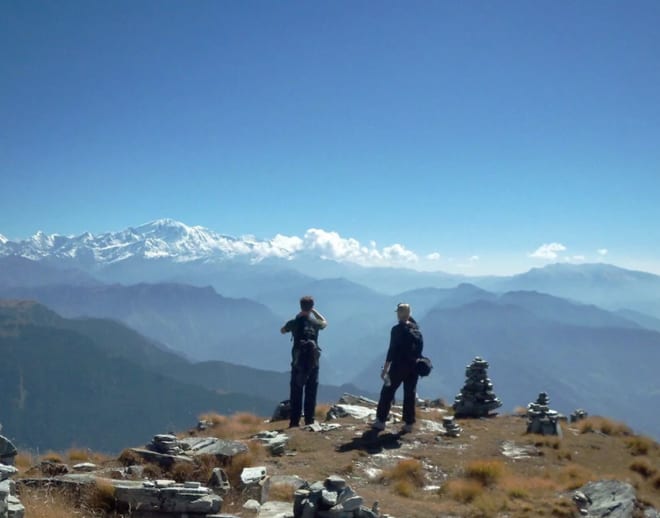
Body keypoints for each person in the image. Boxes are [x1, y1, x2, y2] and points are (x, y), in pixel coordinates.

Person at [372, 303, 423, 434]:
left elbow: (392, 350)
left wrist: (385, 369)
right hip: (414, 366)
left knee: (387, 391)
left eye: (398, 312)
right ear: (409, 313)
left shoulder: (397, 329)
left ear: (400, 314)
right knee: (410, 393)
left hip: (399, 366)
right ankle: (409, 423)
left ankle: (380, 421)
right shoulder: (415, 328)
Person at [280, 295, 328, 428]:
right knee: (311, 391)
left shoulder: (295, 322)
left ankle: (294, 422)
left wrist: (295, 318)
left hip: (297, 363)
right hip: (314, 362)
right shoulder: (315, 323)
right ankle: (309, 421)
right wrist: (314, 312)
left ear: (300, 306)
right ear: (311, 307)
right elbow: (324, 322)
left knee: (296, 391)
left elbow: (282, 330)